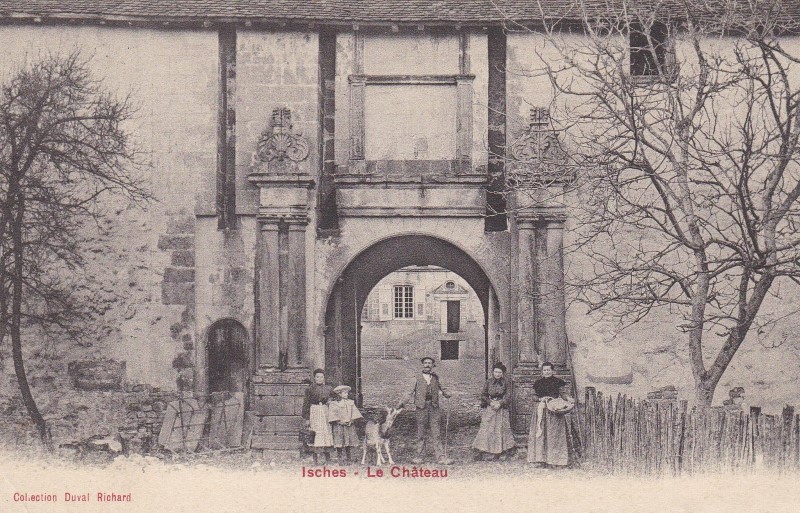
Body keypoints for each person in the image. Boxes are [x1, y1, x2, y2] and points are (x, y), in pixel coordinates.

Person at [397, 356, 453, 465]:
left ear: (432, 365)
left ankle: (440, 457)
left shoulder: (436, 377)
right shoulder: (416, 377)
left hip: (434, 407)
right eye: (425, 363)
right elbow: (409, 392)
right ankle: (419, 456)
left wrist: (447, 394)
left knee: (436, 432)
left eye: (429, 363)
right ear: (423, 364)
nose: (427, 365)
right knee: (421, 432)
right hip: (421, 407)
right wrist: (401, 403)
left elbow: (444, 388)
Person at [526, 362, 574, 467]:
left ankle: (556, 460)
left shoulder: (558, 382)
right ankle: (540, 460)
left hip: (554, 410)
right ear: (542, 372)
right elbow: (534, 396)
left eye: (548, 370)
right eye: (544, 370)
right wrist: (540, 399)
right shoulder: (538, 383)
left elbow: (563, 394)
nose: (546, 372)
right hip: (542, 410)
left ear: (552, 371)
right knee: (541, 435)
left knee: (554, 435)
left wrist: (569, 399)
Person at [472, 362, 516, 461]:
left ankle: (500, 450)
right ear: (493, 372)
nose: (497, 374)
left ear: (502, 373)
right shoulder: (488, 382)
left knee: (500, 428)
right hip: (490, 407)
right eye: (496, 372)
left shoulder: (506, 383)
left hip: (501, 408)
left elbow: (508, 395)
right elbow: (483, 395)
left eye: (499, 372)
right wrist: (490, 402)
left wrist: (500, 403)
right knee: (487, 428)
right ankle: (484, 450)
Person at [302, 368, 335, 465]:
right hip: (314, 411)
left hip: (325, 410)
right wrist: (307, 418)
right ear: (314, 378)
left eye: (321, 377)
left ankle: (327, 458)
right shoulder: (310, 389)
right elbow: (306, 403)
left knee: (326, 431)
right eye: (317, 377)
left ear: (324, 378)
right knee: (315, 432)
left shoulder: (328, 388)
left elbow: (335, 397)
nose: (319, 379)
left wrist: (330, 401)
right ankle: (315, 459)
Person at [328, 384, 363, 464]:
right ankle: (340, 458)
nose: (347, 394)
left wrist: (352, 420)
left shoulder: (350, 402)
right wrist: (339, 421)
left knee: (348, 441)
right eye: (344, 393)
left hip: (349, 425)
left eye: (347, 393)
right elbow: (332, 414)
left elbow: (355, 412)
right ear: (339, 394)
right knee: (339, 441)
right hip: (339, 426)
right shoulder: (334, 404)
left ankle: (348, 458)